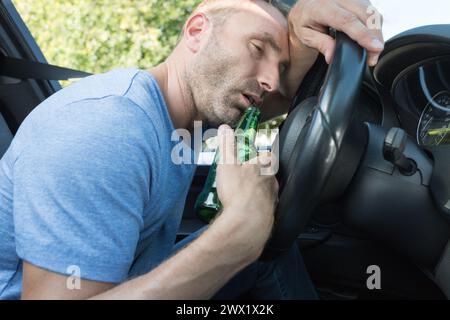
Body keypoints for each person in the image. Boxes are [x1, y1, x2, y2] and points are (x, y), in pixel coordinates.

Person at [0, 0, 384, 299]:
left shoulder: (189, 116)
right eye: (257, 47)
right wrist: (238, 235)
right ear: (197, 30)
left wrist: (302, 37)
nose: (270, 79)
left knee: (269, 256)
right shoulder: (106, 129)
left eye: (279, 66)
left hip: (126, 280)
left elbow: (283, 98)